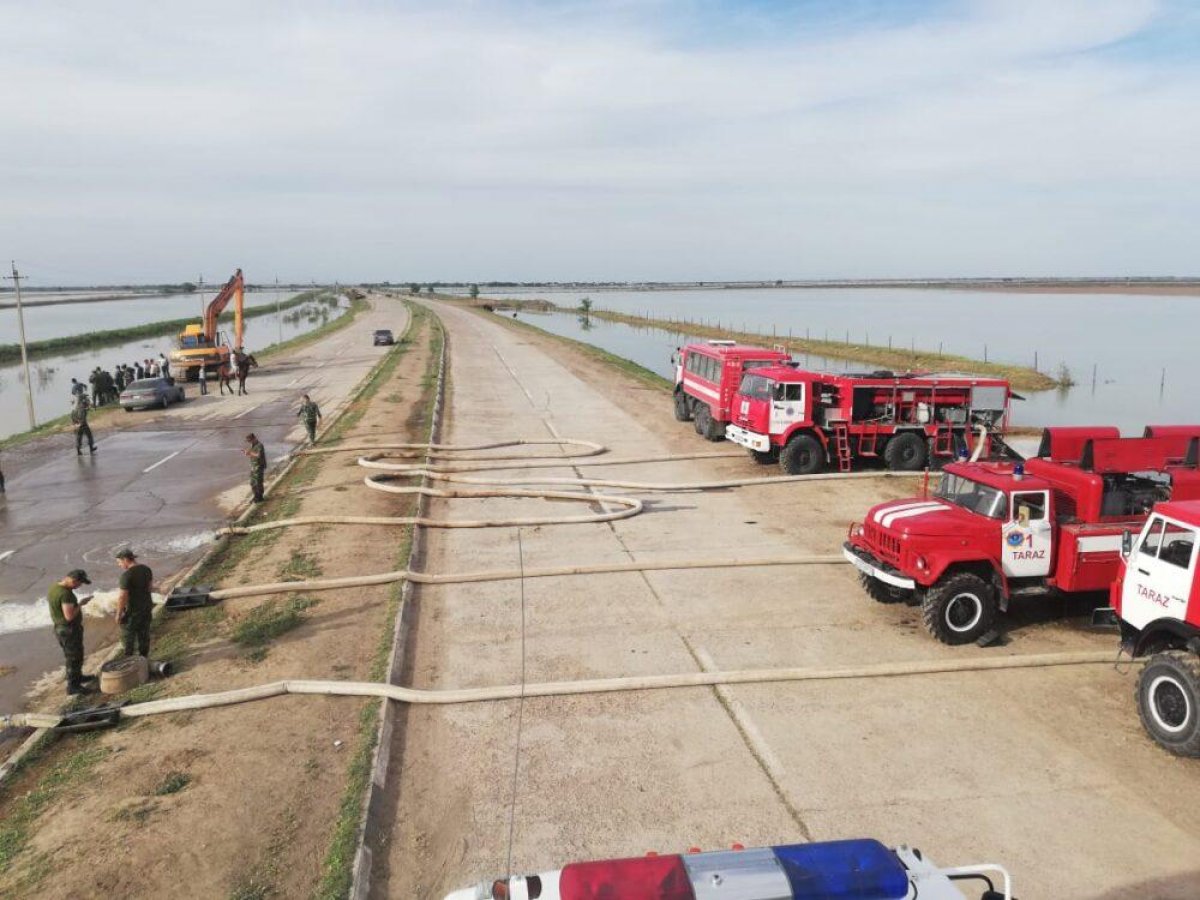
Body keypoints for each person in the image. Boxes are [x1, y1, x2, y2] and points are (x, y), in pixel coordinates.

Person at [48, 568, 96, 695]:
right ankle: (73, 687)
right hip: (68, 630)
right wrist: (81, 604)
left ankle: (78, 677)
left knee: (74, 655)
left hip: (60, 628)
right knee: (74, 657)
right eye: (80, 583)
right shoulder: (66, 594)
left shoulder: (54, 588)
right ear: (74, 580)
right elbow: (69, 616)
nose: (79, 586)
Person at [115, 548, 154, 658]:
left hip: (133, 611)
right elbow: (150, 588)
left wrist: (118, 614)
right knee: (144, 635)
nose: (119, 565)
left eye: (119, 562)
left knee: (128, 637)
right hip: (146, 607)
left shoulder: (126, 575)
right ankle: (143, 659)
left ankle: (129, 661)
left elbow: (122, 596)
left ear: (125, 559)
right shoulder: (146, 569)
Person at [244, 432, 266, 502]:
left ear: (254, 439)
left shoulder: (260, 445)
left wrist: (250, 453)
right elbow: (253, 455)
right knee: (252, 482)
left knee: (258, 482)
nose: (249, 442)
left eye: (249, 441)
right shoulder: (252, 445)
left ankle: (260, 497)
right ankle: (255, 496)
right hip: (253, 467)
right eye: (248, 441)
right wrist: (247, 453)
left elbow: (258, 455)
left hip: (259, 466)